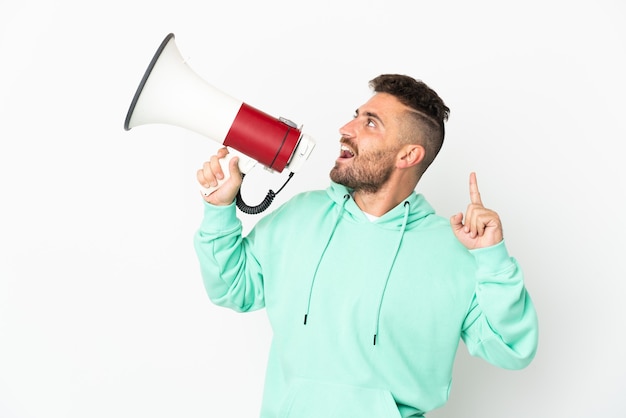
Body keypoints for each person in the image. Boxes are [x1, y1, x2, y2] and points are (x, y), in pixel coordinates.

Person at [194, 74, 538, 417]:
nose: (346, 128)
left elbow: (511, 348)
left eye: (370, 123)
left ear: (408, 155)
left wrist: (493, 259)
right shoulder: (299, 216)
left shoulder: (455, 250)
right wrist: (220, 209)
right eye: (356, 115)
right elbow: (232, 289)